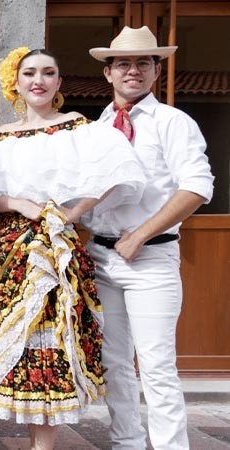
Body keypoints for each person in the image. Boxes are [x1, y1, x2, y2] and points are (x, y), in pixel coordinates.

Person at [0, 47, 146, 450]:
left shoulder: (79, 129)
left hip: (54, 251)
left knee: (50, 342)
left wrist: (74, 212)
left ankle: (44, 446)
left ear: (58, 82)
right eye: (29, 73)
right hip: (6, 251)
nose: (38, 80)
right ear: (15, 82)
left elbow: (118, 171)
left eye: (48, 72)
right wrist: (17, 203)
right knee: (19, 346)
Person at [85, 26, 214, 450]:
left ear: (157, 71)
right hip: (101, 258)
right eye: (123, 63)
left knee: (157, 366)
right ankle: (127, 442)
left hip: (151, 261)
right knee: (114, 363)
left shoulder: (173, 123)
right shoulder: (98, 127)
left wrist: (140, 235)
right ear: (108, 73)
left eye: (144, 63)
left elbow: (197, 187)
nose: (133, 71)